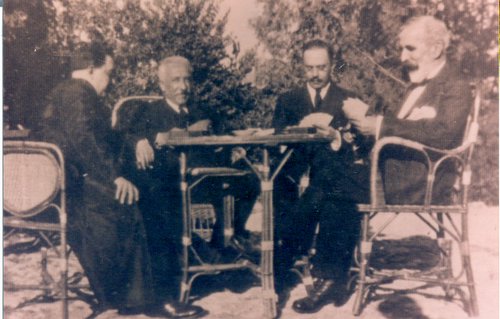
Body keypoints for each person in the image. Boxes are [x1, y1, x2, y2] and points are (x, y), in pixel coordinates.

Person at [37, 43, 206, 318]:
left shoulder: (69, 92)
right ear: (91, 68)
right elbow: (87, 141)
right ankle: (151, 299)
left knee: (145, 189)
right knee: (141, 197)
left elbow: (107, 136)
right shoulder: (79, 94)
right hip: (74, 189)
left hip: (70, 183)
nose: (111, 80)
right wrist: (115, 177)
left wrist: (137, 139)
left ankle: (139, 291)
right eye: (109, 72)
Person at [120, 56, 259, 292]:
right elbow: (125, 132)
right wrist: (141, 140)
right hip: (174, 182)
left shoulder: (203, 110)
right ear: (162, 85)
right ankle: (213, 259)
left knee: (253, 179)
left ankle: (225, 240)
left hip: (210, 177)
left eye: (187, 80)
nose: (183, 87)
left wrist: (238, 145)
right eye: (175, 81)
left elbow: (226, 135)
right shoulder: (149, 112)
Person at [272, 39, 371, 314]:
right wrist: (292, 134)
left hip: (332, 178)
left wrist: (337, 137)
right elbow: (276, 140)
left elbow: (364, 145)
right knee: (276, 184)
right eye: (309, 68)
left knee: (330, 183)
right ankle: (285, 264)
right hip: (293, 175)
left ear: (332, 66)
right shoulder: (287, 100)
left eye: (322, 67)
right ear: (301, 67)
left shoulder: (347, 99)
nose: (315, 74)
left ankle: (293, 259)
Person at [343, 15, 472, 205]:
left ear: (436, 49)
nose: (403, 57)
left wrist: (378, 125)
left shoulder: (456, 86)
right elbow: (399, 128)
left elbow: (442, 134)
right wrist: (355, 132)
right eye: (401, 49)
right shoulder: (414, 86)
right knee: (327, 173)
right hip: (392, 174)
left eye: (410, 49)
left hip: (424, 183)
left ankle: (294, 234)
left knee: (329, 181)